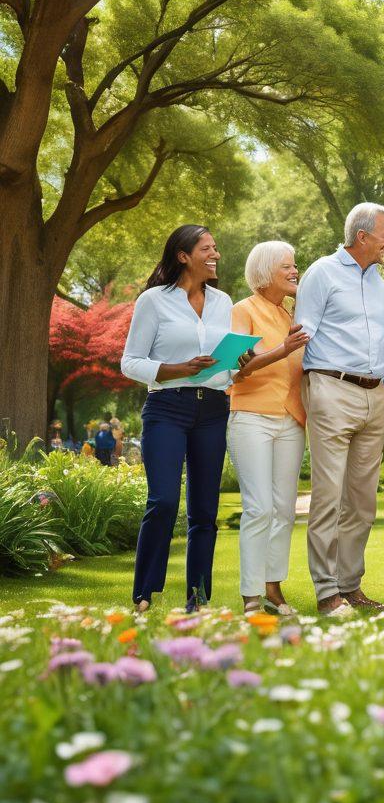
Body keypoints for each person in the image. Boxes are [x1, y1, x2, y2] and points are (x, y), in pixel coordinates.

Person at [295, 203, 384, 617]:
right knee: (329, 495)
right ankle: (327, 591)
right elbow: (301, 334)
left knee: (362, 501)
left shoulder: (381, 284)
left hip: (374, 393)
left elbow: (370, 339)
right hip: (331, 387)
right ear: (362, 236)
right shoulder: (322, 273)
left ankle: (350, 584)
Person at [121, 225, 232, 613]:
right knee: (164, 500)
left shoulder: (223, 302)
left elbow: (224, 367)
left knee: (205, 510)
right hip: (168, 406)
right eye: (207, 248)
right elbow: (130, 362)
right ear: (184, 256)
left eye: (215, 248)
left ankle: (198, 599)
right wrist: (179, 369)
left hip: (214, 408)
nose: (215, 254)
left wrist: (239, 361)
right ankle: (144, 594)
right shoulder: (154, 300)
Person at [227, 241, 310, 616]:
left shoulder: (292, 313)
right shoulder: (242, 310)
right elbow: (233, 368)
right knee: (259, 507)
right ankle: (250, 596)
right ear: (264, 273)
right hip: (251, 417)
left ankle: (273, 588)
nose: (295, 272)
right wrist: (281, 350)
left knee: (283, 510)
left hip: (291, 419)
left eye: (295, 266)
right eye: (286, 267)